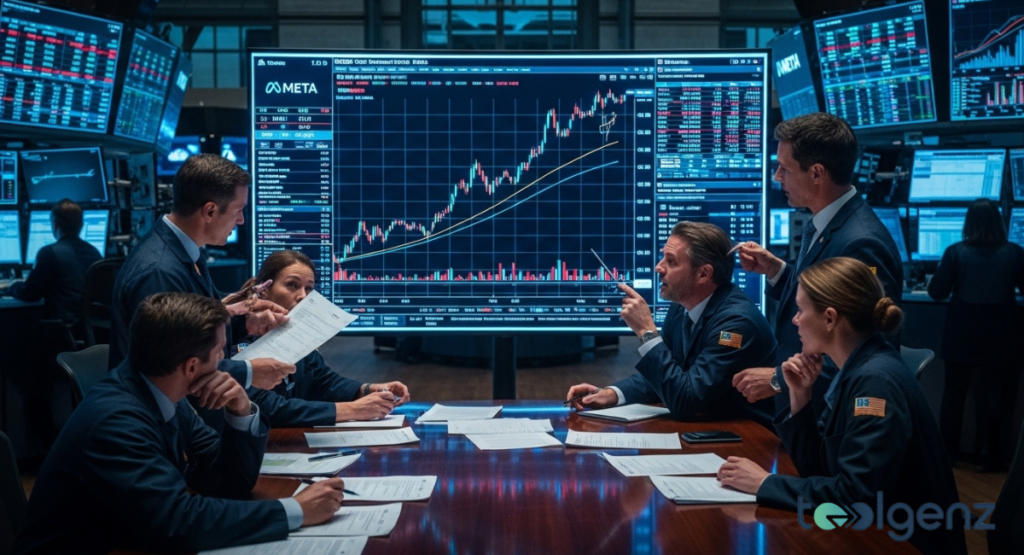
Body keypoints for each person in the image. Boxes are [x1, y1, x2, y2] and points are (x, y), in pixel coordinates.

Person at [14, 293, 347, 555]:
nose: (225, 363)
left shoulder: (162, 391)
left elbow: (227, 481)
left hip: (127, 540)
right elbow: (179, 522)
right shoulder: (118, 421)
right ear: (191, 366)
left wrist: (241, 410)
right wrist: (294, 511)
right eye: (220, 355)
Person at [717, 258, 965, 555]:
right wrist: (800, 398)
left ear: (830, 319)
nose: (795, 320)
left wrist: (765, 483)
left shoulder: (874, 383)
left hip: (901, 542)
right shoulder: (857, 365)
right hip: (874, 530)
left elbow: (854, 498)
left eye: (800, 310)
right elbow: (819, 472)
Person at [732, 112, 903, 415]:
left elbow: (863, 347)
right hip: (802, 408)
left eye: (784, 168)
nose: (776, 177)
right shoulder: (825, 222)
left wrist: (778, 380)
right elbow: (823, 302)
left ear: (816, 173)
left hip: (826, 416)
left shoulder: (861, 242)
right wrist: (778, 271)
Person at [109, 154, 294, 394]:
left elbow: (193, 333)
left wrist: (242, 322)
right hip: (160, 419)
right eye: (239, 210)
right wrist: (249, 372)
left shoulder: (186, 251)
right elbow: (176, 366)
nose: (240, 220)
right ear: (209, 211)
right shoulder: (159, 272)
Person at [565, 222, 778, 427]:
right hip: (708, 429)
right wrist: (611, 394)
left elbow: (686, 401)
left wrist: (647, 332)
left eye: (671, 261)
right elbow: (667, 376)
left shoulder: (736, 324)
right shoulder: (681, 308)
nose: (659, 268)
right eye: (662, 258)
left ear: (704, 273)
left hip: (749, 438)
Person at [223, 250, 411, 426]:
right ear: (263, 290)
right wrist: (350, 410)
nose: (303, 296)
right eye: (292, 285)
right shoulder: (236, 338)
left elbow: (323, 381)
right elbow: (263, 406)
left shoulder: (297, 333)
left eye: (309, 289)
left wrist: (367, 389)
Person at [928, 198, 1024, 471]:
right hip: (1001, 336)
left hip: (961, 334)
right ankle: (989, 455)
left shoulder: (956, 252)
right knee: (992, 397)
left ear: (968, 222)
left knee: (954, 396)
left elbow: (937, 292)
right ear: (1000, 221)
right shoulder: (1014, 253)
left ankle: (948, 453)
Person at [9, 199, 101, 334]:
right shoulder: (95, 253)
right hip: (91, 331)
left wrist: (12, 287)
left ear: (56, 224)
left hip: (63, 331)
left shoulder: (50, 253)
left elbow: (30, 293)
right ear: (81, 225)